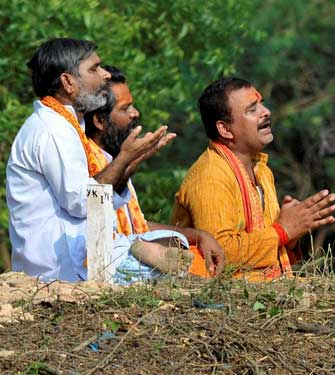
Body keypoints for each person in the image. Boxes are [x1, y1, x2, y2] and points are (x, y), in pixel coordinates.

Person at [6, 38, 196, 282]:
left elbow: (102, 199)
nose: (105, 75)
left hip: (81, 258)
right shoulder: (52, 129)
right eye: (94, 68)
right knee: (168, 274)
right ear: (68, 82)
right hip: (58, 272)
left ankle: (137, 250)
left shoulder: (67, 125)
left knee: (175, 242)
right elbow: (83, 202)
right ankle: (135, 252)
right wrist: (124, 158)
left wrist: (130, 164)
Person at [171, 77, 335, 280]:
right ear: (225, 129)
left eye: (261, 104)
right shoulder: (210, 175)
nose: (266, 112)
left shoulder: (262, 170)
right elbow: (219, 253)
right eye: (252, 109)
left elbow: (265, 243)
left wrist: (293, 231)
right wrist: (283, 230)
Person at [84, 65, 224, 278]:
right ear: (99, 121)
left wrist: (198, 235)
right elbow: (96, 224)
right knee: (190, 269)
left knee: (186, 246)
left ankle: (153, 253)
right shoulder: (88, 160)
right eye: (125, 108)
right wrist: (129, 160)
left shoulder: (112, 157)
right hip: (107, 264)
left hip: (130, 248)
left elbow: (136, 224)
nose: (135, 113)